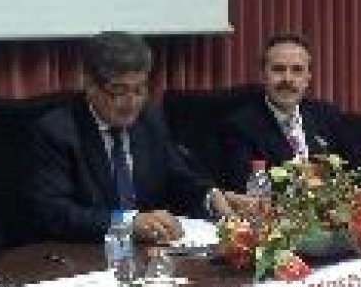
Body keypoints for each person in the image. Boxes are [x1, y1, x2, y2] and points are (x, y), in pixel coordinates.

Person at [27, 31, 252, 244]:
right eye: (119, 91)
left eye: (140, 89)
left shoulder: (149, 119)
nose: (132, 102)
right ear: (89, 84)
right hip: (85, 256)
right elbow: (55, 213)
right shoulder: (58, 131)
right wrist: (128, 223)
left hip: (148, 253)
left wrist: (210, 198)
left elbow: (178, 178)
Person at [220, 34, 357, 191]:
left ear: (307, 78)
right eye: (278, 69)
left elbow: (354, 171)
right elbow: (244, 189)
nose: (287, 79)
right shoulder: (240, 127)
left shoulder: (327, 116)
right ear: (263, 76)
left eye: (297, 70)